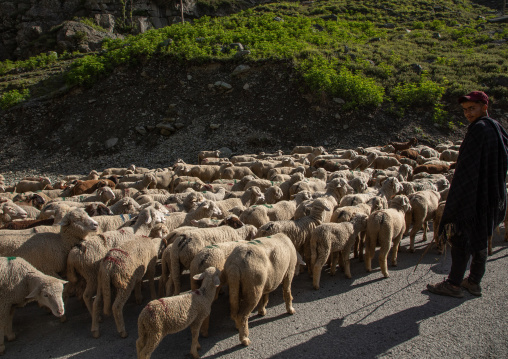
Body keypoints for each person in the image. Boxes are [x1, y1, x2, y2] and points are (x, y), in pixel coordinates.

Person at [427, 91, 508, 298]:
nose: (468, 113)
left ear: (484, 107)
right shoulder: (496, 127)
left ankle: (453, 284)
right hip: (491, 194)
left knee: (460, 237)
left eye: (472, 108)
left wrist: (459, 192)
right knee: (481, 237)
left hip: (473, 194)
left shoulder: (479, 129)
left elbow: (468, 167)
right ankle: (473, 282)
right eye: (464, 110)